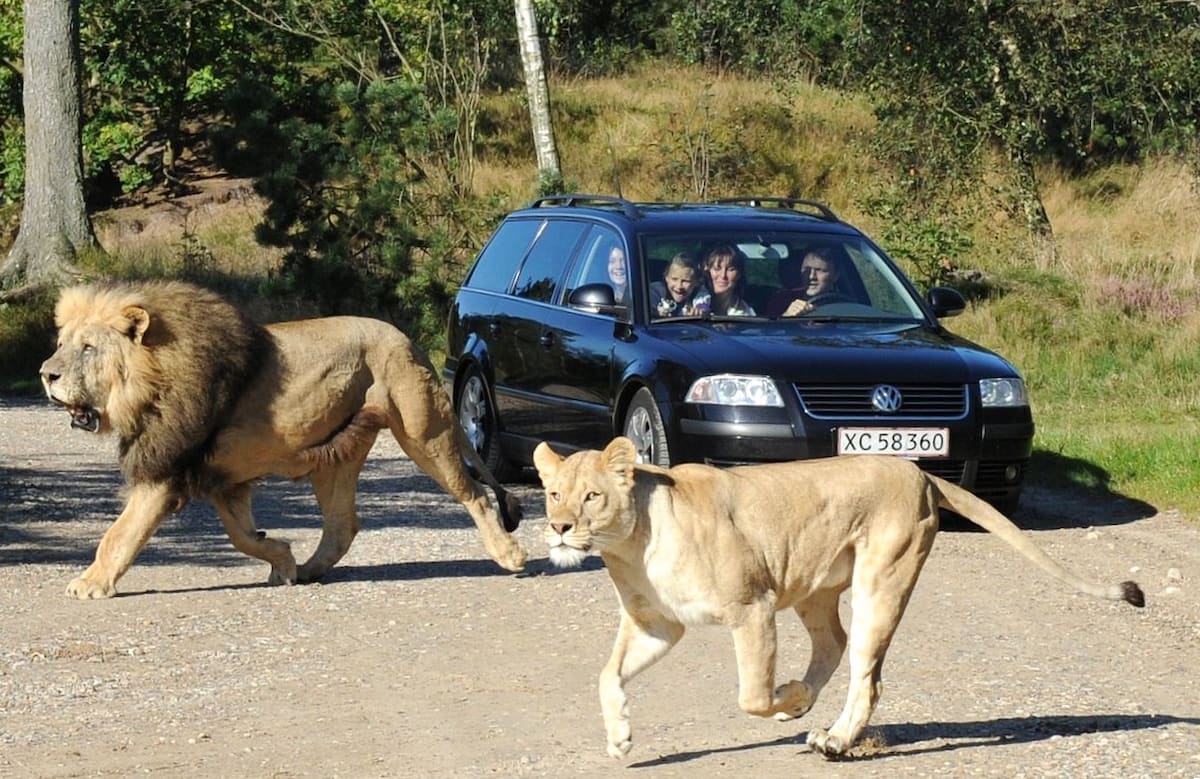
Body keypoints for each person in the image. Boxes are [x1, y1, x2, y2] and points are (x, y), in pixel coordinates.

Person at [765, 245, 843, 317]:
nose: (811, 276)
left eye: (819, 270)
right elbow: (767, 330)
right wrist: (787, 316)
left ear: (836, 275)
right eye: (807, 270)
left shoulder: (845, 304)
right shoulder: (782, 300)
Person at [649, 253, 711, 317]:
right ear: (666, 278)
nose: (679, 286)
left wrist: (701, 310)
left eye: (686, 281)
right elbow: (647, 307)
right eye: (674, 279)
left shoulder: (698, 291)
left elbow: (703, 304)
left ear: (696, 282)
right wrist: (656, 313)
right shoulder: (656, 290)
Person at [702, 244, 756, 316]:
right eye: (717, 269)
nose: (723, 275)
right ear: (707, 270)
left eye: (731, 269)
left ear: (739, 274)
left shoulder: (746, 314)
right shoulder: (689, 302)